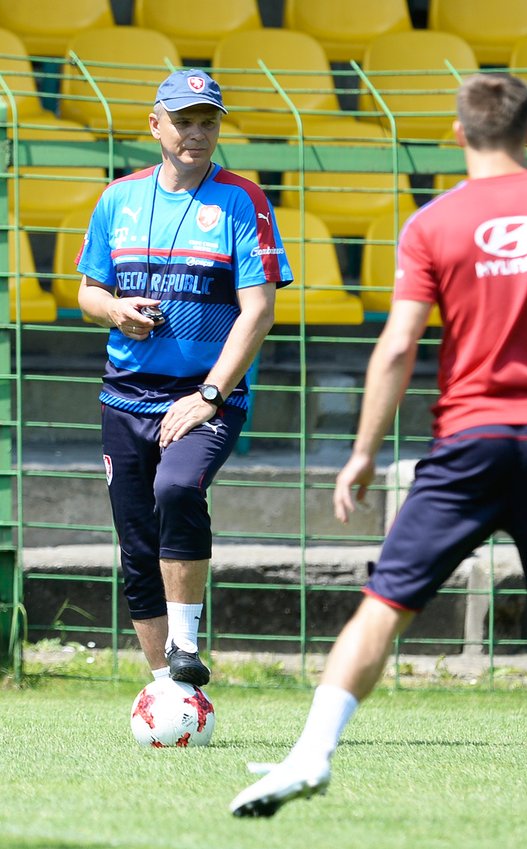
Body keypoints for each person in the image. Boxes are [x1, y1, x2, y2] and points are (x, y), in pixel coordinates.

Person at [228, 72, 527, 821]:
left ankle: (311, 755)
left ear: (459, 136)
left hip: (466, 442)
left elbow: (398, 346)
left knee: (383, 604)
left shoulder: (431, 223)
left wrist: (363, 452)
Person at [76, 69, 293, 687]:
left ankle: (186, 645)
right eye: (185, 120)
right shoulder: (117, 198)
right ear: (156, 125)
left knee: (176, 489)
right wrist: (115, 309)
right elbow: (89, 292)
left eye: (209, 121)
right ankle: (166, 690)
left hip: (205, 395)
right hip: (125, 395)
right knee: (136, 545)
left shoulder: (243, 200)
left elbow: (260, 311)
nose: (198, 133)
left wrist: (209, 396)